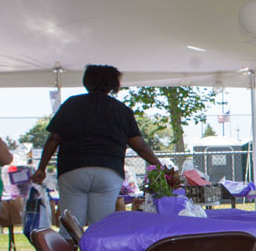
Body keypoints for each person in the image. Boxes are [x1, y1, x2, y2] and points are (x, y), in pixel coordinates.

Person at [30, 64, 163, 232]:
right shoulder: (122, 110)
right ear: (114, 84)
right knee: (102, 229)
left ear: (87, 82)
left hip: (73, 169)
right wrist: (159, 166)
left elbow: (54, 138)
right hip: (108, 171)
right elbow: (140, 146)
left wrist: (41, 168)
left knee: (71, 228)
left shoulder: (71, 105)